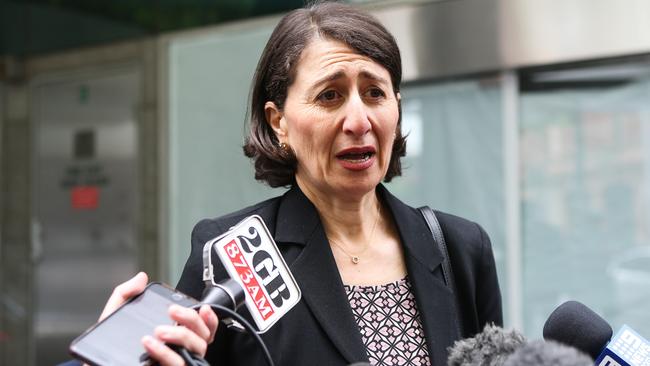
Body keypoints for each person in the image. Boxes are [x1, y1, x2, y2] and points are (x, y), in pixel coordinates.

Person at [99, 2, 502, 365]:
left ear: (396, 107)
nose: (359, 121)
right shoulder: (232, 251)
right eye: (330, 96)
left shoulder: (460, 248)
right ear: (279, 123)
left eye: (375, 93)